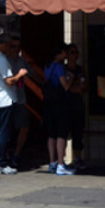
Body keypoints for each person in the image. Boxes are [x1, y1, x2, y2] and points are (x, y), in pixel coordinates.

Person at [0, 35, 25, 175]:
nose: (9, 48)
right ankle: (0, 162)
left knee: (2, 131)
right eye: (8, 45)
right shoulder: (1, 60)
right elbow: (9, 81)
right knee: (4, 133)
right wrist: (20, 74)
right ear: (1, 45)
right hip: (6, 99)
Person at [44, 43, 74, 175]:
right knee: (61, 134)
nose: (67, 55)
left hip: (49, 103)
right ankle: (61, 164)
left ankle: (52, 162)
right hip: (60, 103)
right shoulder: (60, 67)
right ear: (62, 52)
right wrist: (71, 78)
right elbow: (65, 86)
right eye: (66, 53)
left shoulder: (47, 65)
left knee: (51, 134)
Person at [65, 43, 88, 170]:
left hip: (78, 104)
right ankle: (61, 159)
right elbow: (64, 88)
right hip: (66, 104)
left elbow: (84, 87)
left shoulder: (80, 69)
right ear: (67, 55)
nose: (76, 55)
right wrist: (74, 88)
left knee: (78, 132)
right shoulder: (63, 69)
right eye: (72, 52)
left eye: (76, 52)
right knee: (64, 132)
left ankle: (78, 158)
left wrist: (73, 88)